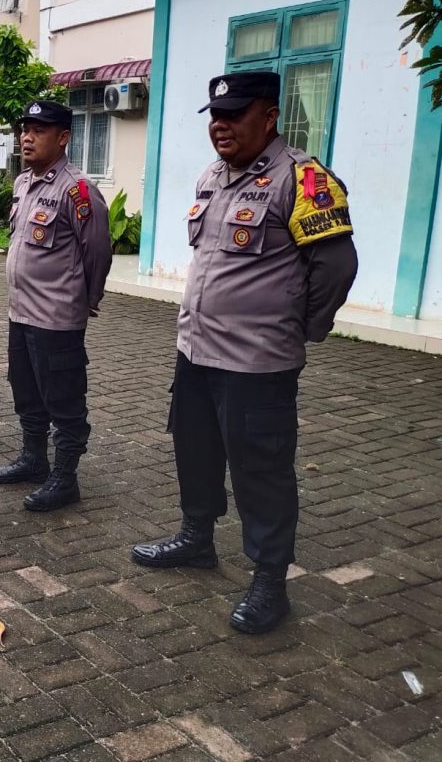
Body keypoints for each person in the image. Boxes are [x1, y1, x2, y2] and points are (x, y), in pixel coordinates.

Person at [131, 71, 358, 634]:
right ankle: (196, 538)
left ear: (270, 115)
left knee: (262, 471)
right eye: (215, 115)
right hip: (197, 351)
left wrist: (296, 328)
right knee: (196, 450)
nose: (221, 125)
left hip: (257, 362)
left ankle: (269, 581)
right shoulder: (214, 175)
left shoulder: (303, 179)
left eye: (234, 114)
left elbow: (335, 267)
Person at [0, 100, 112, 512]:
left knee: (64, 400)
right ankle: (33, 458)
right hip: (20, 313)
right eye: (25, 128)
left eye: (38, 130)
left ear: (63, 137)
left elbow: (97, 252)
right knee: (26, 391)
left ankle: (65, 477)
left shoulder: (77, 189)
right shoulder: (24, 183)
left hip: (56, 317)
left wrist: (84, 300)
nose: (27, 136)